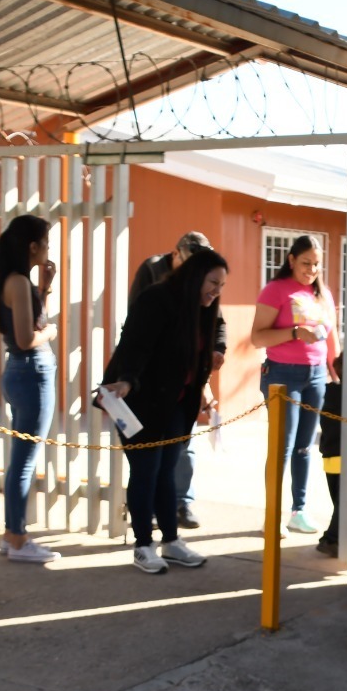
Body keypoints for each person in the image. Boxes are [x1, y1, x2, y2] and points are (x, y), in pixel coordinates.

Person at [100, 249, 226, 574]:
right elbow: (134, 345)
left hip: (177, 402)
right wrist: (126, 380)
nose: (216, 291)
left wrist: (206, 379)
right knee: (146, 472)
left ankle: (171, 541)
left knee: (167, 471)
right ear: (195, 277)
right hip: (141, 400)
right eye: (213, 282)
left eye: (221, 285)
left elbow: (214, 337)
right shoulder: (156, 299)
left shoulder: (204, 307)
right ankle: (143, 545)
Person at [130, 231, 224, 530]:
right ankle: (146, 531)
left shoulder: (207, 294)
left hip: (184, 390)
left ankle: (179, 511)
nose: (214, 290)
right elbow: (137, 335)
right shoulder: (153, 281)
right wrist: (128, 379)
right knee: (148, 465)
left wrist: (213, 359)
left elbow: (216, 326)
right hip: (152, 390)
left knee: (181, 450)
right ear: (176, 255)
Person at [251, 234, 341, 537]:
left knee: (304, 447)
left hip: (316, 376)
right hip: (282, 375)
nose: (311, 270)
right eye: (306, 263)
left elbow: (332, 338)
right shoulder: (275, 290)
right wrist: (294, 332)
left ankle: (298, 511)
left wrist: (336, 373)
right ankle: (272, 515)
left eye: (316, 264)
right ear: (291, 260)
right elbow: (257, 337)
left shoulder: (322, 294)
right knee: (282, 447)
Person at [0, 215, 61, 564]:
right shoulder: (18, 282)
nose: (48, 249)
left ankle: (12, 534)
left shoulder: (15, 281)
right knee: (24, 461)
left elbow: (28, 322)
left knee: (21, 458)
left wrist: (44, 289)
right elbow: (27, 337)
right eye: (46, 242)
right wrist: (51, 332)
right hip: (32, 371)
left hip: (21, 371)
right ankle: (18, 539)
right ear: (33, 246)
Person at [315, 353, 342, 558]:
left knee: (339, 502)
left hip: (330, 456)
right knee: (343, 503)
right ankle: (331, 539)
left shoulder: (330, 392)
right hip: (341, 457)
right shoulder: (346, 396)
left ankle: (333, 538)